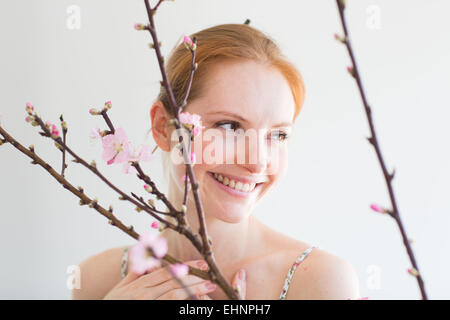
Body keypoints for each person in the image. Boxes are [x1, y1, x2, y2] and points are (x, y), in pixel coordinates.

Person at [72, 23, 360, 300]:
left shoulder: (321, 283)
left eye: (278, 135)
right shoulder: (97, 281)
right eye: (229, 127)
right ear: (163, 127)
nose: (258, 163)